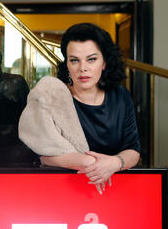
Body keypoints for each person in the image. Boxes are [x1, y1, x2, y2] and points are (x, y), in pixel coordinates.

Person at [19, 23, 140, 194]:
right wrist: (90, 164)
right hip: (63, 191)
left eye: (92, 59)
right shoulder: (52, 97)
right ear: (67, 64)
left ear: (104, 62)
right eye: (74, 60)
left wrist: (114, 163)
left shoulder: (121, 96)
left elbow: (133, 150)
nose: (83, 68)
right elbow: (44, 155)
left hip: (115, 190)